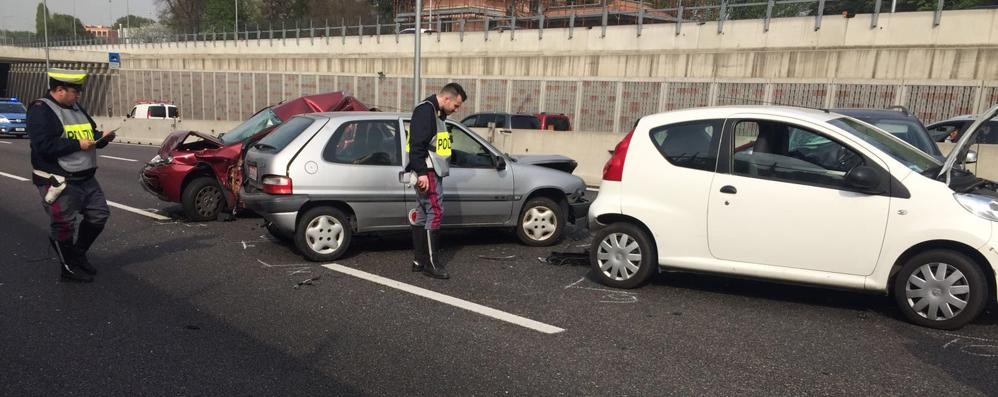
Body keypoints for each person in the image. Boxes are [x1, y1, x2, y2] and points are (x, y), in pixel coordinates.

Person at [27, 68, 116, 283]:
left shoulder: (75, 107)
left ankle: (77, 254)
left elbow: (89, 133)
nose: (78, 96)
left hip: (85, 177)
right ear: (59, 90)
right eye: (75, 91)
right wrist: (78, 144)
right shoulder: (41, 110)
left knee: (99, 215)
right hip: (58, 179)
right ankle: (67, 268)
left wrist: (101, 138)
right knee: (64, 225)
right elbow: (43, 145)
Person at [406, 83, 467, 279]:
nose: (456, 110)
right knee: (435, 211)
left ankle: (419, 260)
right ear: (446, 98)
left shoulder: (434, 112)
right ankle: (431, 264)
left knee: (423, 212)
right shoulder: (427, 111)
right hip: (428, 171)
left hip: (429, 170)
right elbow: (417, 145)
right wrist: (422, 171)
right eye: (456, 105)